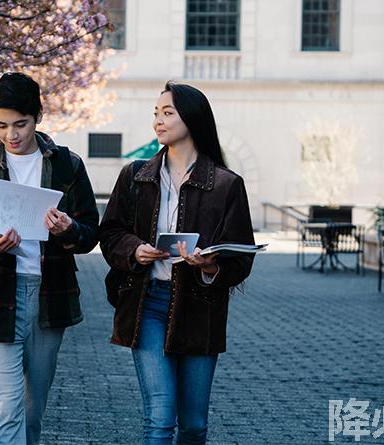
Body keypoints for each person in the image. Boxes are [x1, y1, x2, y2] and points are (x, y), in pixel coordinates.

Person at [0, 72, 99, 445]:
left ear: (38, 117)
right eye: (1, 125)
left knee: (33, 406)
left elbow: (91, 233)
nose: (11, 135)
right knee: (4, 404)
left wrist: (68, 231)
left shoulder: (67, 166)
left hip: (49, 296)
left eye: (20, 124)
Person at [98, 82, 256, 445]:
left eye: (168, 112)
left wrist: (210, 266)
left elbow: (242, 258)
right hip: (147, 303)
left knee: (194, 425)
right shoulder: (136, 176)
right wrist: (135, 250)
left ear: (193, 118)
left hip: (199, 310)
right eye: (156, 113)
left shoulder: (227, 185)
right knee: (159, 418)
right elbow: (110, 234)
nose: (159, 120)